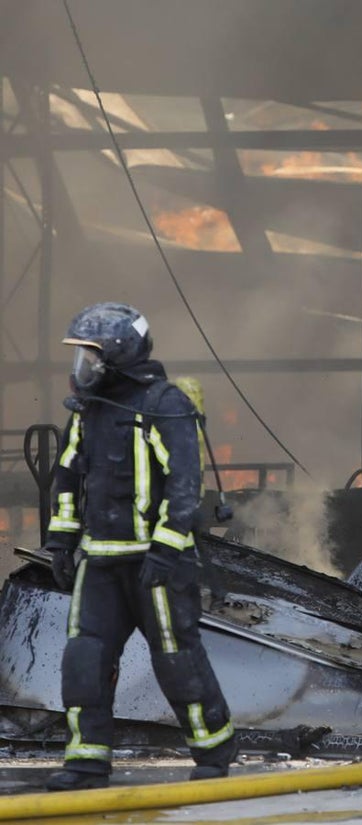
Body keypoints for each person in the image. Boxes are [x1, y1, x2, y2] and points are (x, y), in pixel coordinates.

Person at [42, 302, 236, 791]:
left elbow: (185, 486)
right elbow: (67, 476)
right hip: (100, 561)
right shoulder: (89, 411)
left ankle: (213, 752)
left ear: (120, 353)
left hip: (158, 564)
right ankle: (86, 762)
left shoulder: (164, 405)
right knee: (84, 661)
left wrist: (165, 551)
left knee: (176, 659)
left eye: (92, 354)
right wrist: (61, 542)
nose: (83, 366)